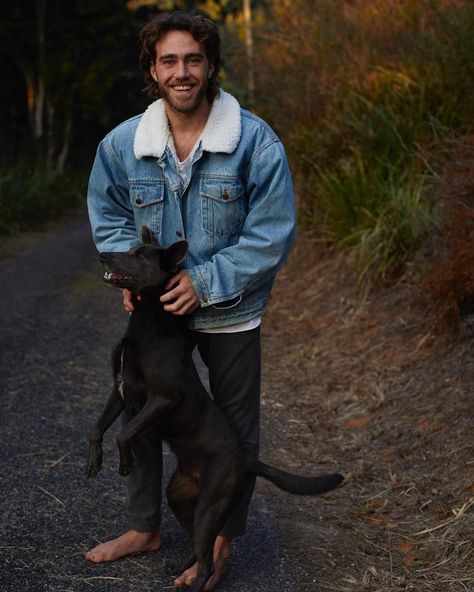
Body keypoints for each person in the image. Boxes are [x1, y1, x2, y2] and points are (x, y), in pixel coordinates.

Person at [85, 10, 296, 590]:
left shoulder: (253, 140)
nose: (182, 72)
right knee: (140, 406)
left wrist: (205, 280)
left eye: (193, 60)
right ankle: (144, 526)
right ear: (152, 70)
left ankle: (220, 541)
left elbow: (272, 231)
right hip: (156, 317)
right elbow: (108, 216)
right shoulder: (124, 144)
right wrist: (136, 278)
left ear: (210, 66)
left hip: (231, 308)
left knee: (233, 430)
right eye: (169, 61)